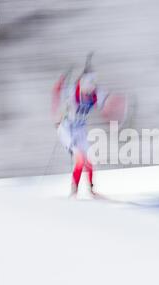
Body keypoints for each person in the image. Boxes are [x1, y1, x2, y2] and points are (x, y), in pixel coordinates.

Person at [51, 56, 107, 197]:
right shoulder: (71, 92)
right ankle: (74, 192)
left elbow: (108, 104)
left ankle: (91, 190)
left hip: (80, 130)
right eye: (87, 86)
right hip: (66, 130)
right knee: (80, 159)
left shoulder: (96, 94)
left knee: (89, 159)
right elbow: (56, 90)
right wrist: (63, 79)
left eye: (92, 86)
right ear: (82, 84)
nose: (89, 90)